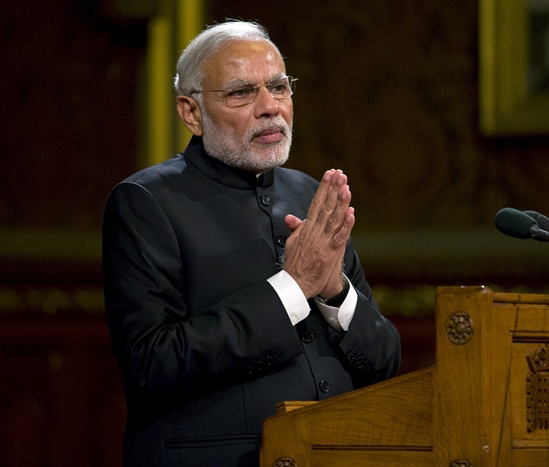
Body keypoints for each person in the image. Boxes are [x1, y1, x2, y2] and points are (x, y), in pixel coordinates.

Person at [102, 20, 401, 466]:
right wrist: (292, 288)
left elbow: (385, 363)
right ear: (191, 113)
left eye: (279, 87)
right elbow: (152, 366)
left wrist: (335, 293)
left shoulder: (308, 196)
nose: (270, 107)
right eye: (241, 93)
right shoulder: (146, 203)